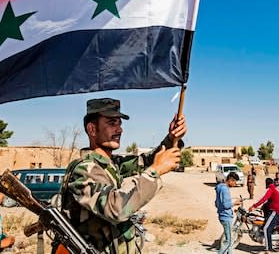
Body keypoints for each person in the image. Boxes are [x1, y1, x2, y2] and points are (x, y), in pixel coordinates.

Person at [59, 98, 186, 253]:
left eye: (120, 124)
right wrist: (155, 172)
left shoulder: (112, 164)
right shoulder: (84, 170)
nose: (119, 130)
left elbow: (146, 161)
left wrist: (172, 137)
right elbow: (116, 208)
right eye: (112, 123)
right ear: (92, 129)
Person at [249, 178, 279, 254]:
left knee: (266, 228)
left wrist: (254, 206)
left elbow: (264, 199)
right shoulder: (275, 188)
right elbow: (268, 201)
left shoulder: (271, 189)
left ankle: (268, 249)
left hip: (276, 212)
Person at [215, 172, 241, 254]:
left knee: (229, 241)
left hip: (222, 216)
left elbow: (216, 203)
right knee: (229, 241)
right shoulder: (225, 189)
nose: (235, 184)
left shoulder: (219, 187)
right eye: (234, 181)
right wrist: (235, 203)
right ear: (230, 180)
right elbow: (226, 205)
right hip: (226, 217)